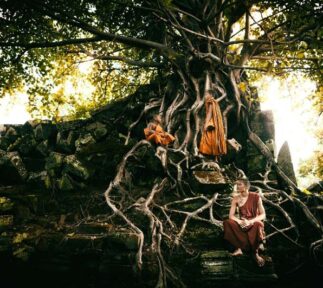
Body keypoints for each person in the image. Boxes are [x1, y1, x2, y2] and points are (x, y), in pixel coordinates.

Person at [223, 178, 266, 267]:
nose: (237, 186)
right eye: (236, 184)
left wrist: (250, 221)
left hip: (253, 222)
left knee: (259, 224)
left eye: (240, 184)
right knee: (227, 222)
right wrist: (239, 222)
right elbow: (231, 216)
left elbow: (263, 215)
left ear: (246, 186)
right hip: (242, 223)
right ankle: (239, 248)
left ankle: (255, 253)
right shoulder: (235, 198)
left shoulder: (256, 196)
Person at [199, 90, 227, 160]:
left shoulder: (211, 102)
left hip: (211, 124)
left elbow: (209, 113)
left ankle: (206, 154)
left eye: (206, 95)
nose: (205, 96)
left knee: (208, 137)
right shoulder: (215, 102)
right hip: (216, 125)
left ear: (211, 95)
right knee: (214, 138)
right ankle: (215, 158)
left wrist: (206, 124)